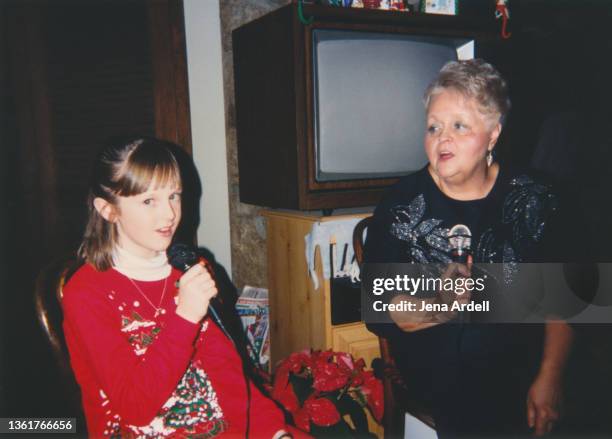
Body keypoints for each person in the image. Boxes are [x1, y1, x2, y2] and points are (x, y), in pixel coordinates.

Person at [364, 60, 573, 437]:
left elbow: (566, 296)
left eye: (459, 126)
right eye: (433, 127)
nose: (442, 139)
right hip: (441, 367)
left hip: (522, 361)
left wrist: (550, 376)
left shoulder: (535, 196)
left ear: (493, 134)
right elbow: (381, 307)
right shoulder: (401, 206)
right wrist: (444, 305)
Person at [62, 138, 307, 438]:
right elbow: (135, 407)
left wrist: (273, 431)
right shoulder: (87, 293)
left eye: (174, 196)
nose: (169, 215)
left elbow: (229, 374)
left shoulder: (190, 268)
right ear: (107, 210)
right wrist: (186, 317)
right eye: (148, 201)